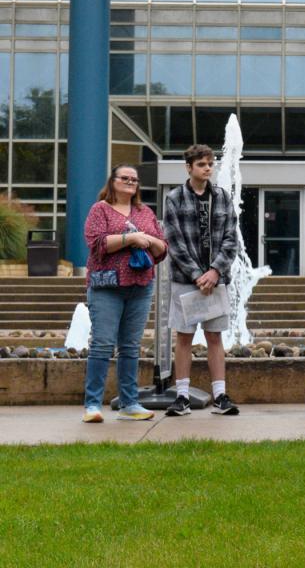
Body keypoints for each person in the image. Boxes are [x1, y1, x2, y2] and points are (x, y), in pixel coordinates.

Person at [81, 165, 168, 422]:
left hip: (140, 287)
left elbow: (162, 248)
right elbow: (97, 244)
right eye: (125, 178)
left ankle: (129, 403)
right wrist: (132, 238)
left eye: (134, 179)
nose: (130, 182)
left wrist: (148, 240)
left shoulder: (145, 212)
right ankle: (93, 405)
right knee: (102, 344)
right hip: (107, 287)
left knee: (130, 347)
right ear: (113, 181)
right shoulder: (100, 209)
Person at [162, 144, 240, 417]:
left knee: (214, 337)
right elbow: (174, 241)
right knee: (183, 337)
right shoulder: (174, 198)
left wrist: (215, 271)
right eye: (201, 164)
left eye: (210, 164)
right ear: (189, 167)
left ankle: (220, 396)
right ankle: (181, 396)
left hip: (216, 281)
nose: (207, 168)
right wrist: (197, 274)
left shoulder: (222, 197)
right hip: (186, 280)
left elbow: (232, 238)